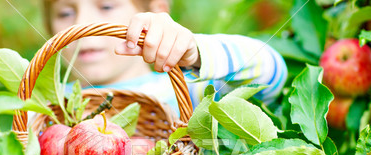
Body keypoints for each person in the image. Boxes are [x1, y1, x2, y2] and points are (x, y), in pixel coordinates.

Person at [42, 0, 287, 117]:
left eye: (106, 7)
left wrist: (196, 52)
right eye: (65, 12)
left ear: (155, 11)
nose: (81, 24)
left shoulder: (190, 94)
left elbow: (271, 75)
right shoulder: (41, 109)